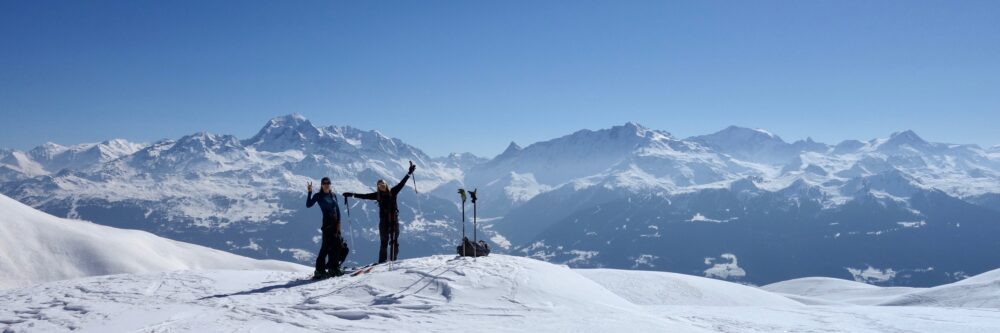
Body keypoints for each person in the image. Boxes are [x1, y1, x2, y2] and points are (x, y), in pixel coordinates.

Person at [343, 163, 415, 264]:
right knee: (384, 242)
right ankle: (382, 262)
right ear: (378, 187)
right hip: (384, 222)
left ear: (386, 185)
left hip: (394, 220)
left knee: (394, 242)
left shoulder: (393, 192)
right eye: (379, 185)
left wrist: (409, 173)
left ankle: (393, 260)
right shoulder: (377, 195)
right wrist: (351, 195)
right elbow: (364, 196)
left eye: (382, 184)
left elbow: (401, 184)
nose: (381, 186)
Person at [306, 177, 346, 279]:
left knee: (336, 246)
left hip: (335, 224)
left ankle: (334, 268)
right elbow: (308, 205)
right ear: (321, 185)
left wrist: (339, 223)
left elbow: (337, 209)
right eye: (324, 183)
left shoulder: (333, 195)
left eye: (328, 182)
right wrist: (310, 192)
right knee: (325, 247)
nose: (326, 184)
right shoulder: (318, 196)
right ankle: (319, 270)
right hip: (327, 224)